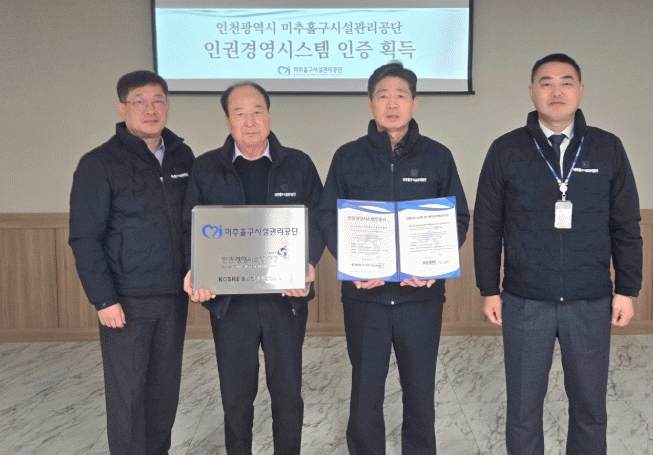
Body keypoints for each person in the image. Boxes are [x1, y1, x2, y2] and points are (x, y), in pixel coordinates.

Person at [474, 53, 642, 455]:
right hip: (524, 300)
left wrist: (627, 289)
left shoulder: (607, 147)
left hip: (590, 300)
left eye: (566, 82)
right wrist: (489, 289)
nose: (556, 91)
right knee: (522, 411)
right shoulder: (506, 149)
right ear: (531, 92)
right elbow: (487, 226)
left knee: (590, 409)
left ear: (580, 91)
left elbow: (625, 224)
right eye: (545, 83)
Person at [317, 62, 470, 454]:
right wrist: (351, 265)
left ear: (414, 103)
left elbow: (458, 218)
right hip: (364, 298)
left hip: (420, 298)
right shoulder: (348, 156)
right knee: (365, 392)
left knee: (420, 391)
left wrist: (435, 267)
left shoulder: (437, 156)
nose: (392, 103)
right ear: (370, 103)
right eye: (383, 95)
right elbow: (328, 216)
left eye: (401, 95)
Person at [182, 81, 324, 455]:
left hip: (285, 300)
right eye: (239, 113)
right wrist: (196, 271)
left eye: (257, 111)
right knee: (236, 399)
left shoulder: (298, 164)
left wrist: (308, 263)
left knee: (288, 396)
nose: (249, 121)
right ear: (228, 120)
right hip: (230, 305)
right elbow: (189, 228)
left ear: (269, 115)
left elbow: (318, 219)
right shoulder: (206, 168)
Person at [69, 70, 194, 454]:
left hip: (174, 297)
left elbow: (195, 224)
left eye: (158, 100)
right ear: (122, 108)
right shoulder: (99, 163)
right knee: (128, 397)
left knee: (163, 394)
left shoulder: (183, 156)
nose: (150, 109)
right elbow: (85, 238)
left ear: (168, 106)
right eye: (139, 101)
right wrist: (104, 299)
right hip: (126, 302)